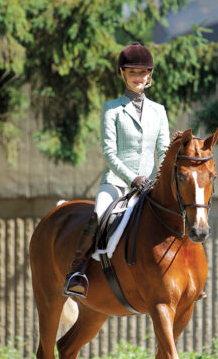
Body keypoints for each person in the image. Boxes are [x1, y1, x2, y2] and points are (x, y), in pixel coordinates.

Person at [64, 42, 170, 297]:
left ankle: (186, 275)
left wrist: (158, 179)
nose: (138, 77)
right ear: (122, 73)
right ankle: (77, 273)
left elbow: (165, 151)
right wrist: (133, 178)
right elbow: (109, 153)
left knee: (177, 214)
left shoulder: (159, 111)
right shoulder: (112, 109)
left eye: (143, 72)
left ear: (150, 75)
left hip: (149, 186)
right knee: (98, 216)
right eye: (133, 72)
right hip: (116, 183)